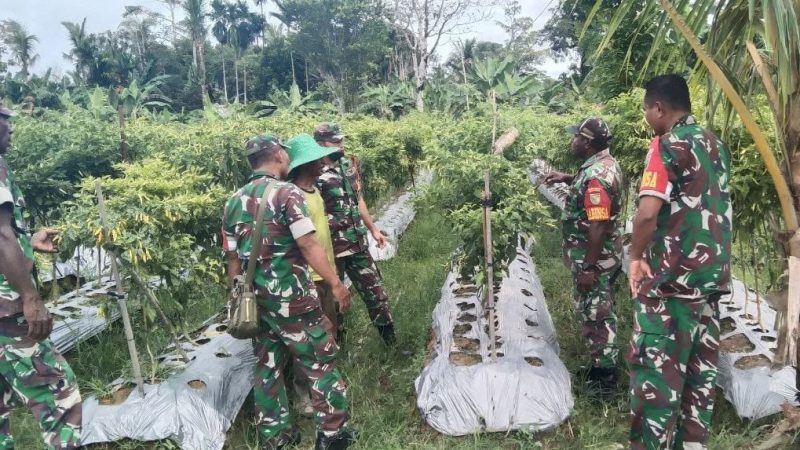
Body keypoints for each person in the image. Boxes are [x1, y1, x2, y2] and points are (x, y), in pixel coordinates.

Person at [221, 133, 356, 450]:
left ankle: (276, 436)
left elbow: (231, 259)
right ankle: (334, 435)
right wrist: (336, 284)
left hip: (259, 303)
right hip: (295, 302)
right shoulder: (287, 194)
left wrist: (238, 295)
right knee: (320, 362)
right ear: (279, 156)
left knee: (267, 368)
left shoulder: (233, 201)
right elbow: (308, 243)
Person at [627, 74, 731, 449]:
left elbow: (647, 214)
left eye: (646, 110)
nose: (646, 118)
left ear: (659, 108)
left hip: (672, 282)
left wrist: (636, 256)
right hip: (710, 281)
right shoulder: (716, 145)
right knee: (698, 378)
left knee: (657, 375)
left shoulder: (666, 145)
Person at [0, 103, 82, 449]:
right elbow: (1, 234)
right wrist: (31, 298)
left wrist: (28, 244)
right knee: (59, 398)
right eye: (4, 122)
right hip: (8, 314)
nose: (11, 128)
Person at [544, 118, 623, 399]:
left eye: (575, 137)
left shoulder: (596, 176)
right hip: (603, 256)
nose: (572, 141)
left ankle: (605, 381)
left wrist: (588, 267)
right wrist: (567, 178)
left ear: (587, 142)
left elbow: (598, 224)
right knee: (598, 310)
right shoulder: (600, 166)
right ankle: (600, 366)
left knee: (596, 314)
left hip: (595, 260)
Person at [314, 123, 395, 345]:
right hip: (331, 250)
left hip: (357, 244)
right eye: (336, 141)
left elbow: (358, 201)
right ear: (321, 144)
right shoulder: (312, 172)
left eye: (342, 140)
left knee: (376, 293)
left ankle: (390, 342)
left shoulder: (347, 166)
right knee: (334, 301)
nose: (342, 144)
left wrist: (373, 229)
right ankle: (338, 346)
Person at [285, 133, 343, 418]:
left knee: (327, 330)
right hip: (308, 278)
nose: (323, 162)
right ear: (306, 163)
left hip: (323, 274)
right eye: (317, 158)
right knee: (307, 339)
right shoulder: (292, 197)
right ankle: (302, 394)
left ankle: (324, 386)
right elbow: (305, 244)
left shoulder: (314, 191)